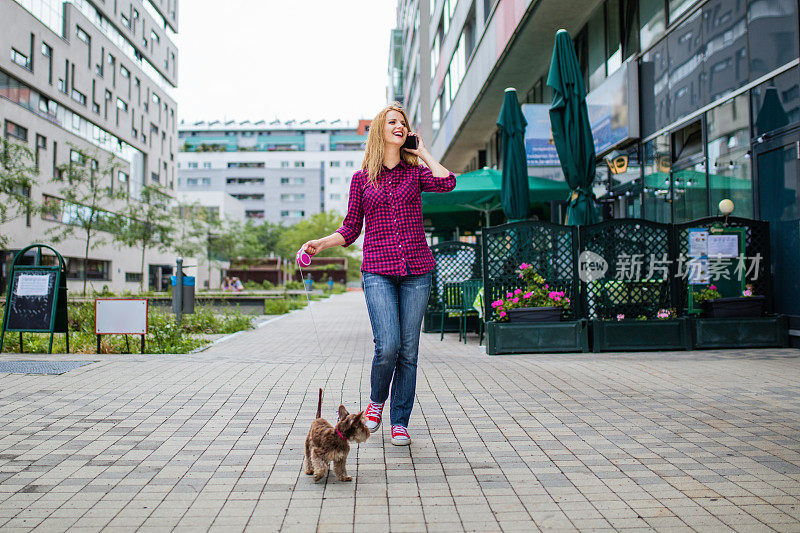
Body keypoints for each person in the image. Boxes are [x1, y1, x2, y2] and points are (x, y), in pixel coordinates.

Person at [301, 103, 455, 446]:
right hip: (378, 271)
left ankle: (400, 421)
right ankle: (376, 401)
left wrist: (424, 152)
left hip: (417, 269)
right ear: (379, 132)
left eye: (403, 123)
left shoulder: (416, 173)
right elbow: (351, 227)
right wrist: (322, 244)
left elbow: (447, 183)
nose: (399, 126)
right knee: (388, 346)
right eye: (392, 122)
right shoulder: (362, 179)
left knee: (409, 351)